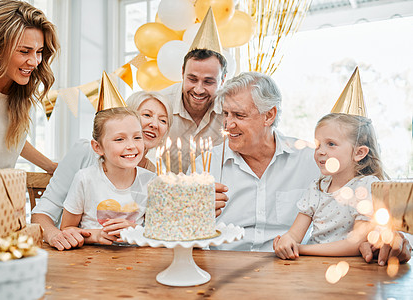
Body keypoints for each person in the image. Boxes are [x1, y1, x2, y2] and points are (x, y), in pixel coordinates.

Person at [204, 72, 411, 264]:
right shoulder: (205, 165)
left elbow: (382, 219)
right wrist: (195, 213)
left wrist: (393, 238)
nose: (228, 124)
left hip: (294, 270)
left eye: (239, 116)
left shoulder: (316, 161)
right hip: (224, 269)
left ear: (269, 116)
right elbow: (177, 226)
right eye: (226, 114)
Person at [31, 91, 172, 250]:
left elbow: (158, 230)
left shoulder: (152, 176)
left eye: (163, 120)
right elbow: (47, 213)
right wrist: (56, 236)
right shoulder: (85, 163)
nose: (155, 124)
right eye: (147, 115)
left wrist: (135, 231)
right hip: (80, 253)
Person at [0, 0, 59, 173]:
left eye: (39, 52)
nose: (35, 62)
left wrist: (50, 166)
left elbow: (10, 139)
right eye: (24, 51)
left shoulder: (19, 95)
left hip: (5, 198)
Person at [273, 113, 383, 259]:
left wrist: (301, 249)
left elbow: (356, 243)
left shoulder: (366, 186)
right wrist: (286, 241)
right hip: (313, 268)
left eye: (331, 144)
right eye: (318, 145)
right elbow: (294, 233)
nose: (320, 151)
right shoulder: (317, 187)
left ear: (359, 153)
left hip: (350, 270)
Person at [60, 107, 154, 245]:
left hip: (136, 259)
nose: (131, 145)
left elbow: (158, 232)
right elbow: (67, 229)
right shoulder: (85, 179)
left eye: (137, 137)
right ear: (98, 147)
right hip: (90, 260)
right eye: (119, 139)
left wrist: (135, 231)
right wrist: (96, 236)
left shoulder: (151, 181)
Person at [160, 48, 227, 173]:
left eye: (208, 82)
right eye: (192, 79)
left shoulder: (231, 108)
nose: (198, 90)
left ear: (222, 80)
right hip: (169, 188)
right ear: (182, 73)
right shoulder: (161, 104)